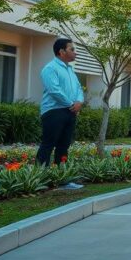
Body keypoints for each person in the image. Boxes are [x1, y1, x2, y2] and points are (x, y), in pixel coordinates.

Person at [38, 38, 84, 189]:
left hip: (70, 111)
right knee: (48, 144)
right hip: (54, 111)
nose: (74, 52)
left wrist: (79, 102)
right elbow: (54, 90)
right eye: (72, 49)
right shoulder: (50, 68)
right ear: (61, 52)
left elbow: (78, 89)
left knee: (64, 145)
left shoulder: (70, 70)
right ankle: (39, 178)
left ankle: (61, 179)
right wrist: (72, 104)